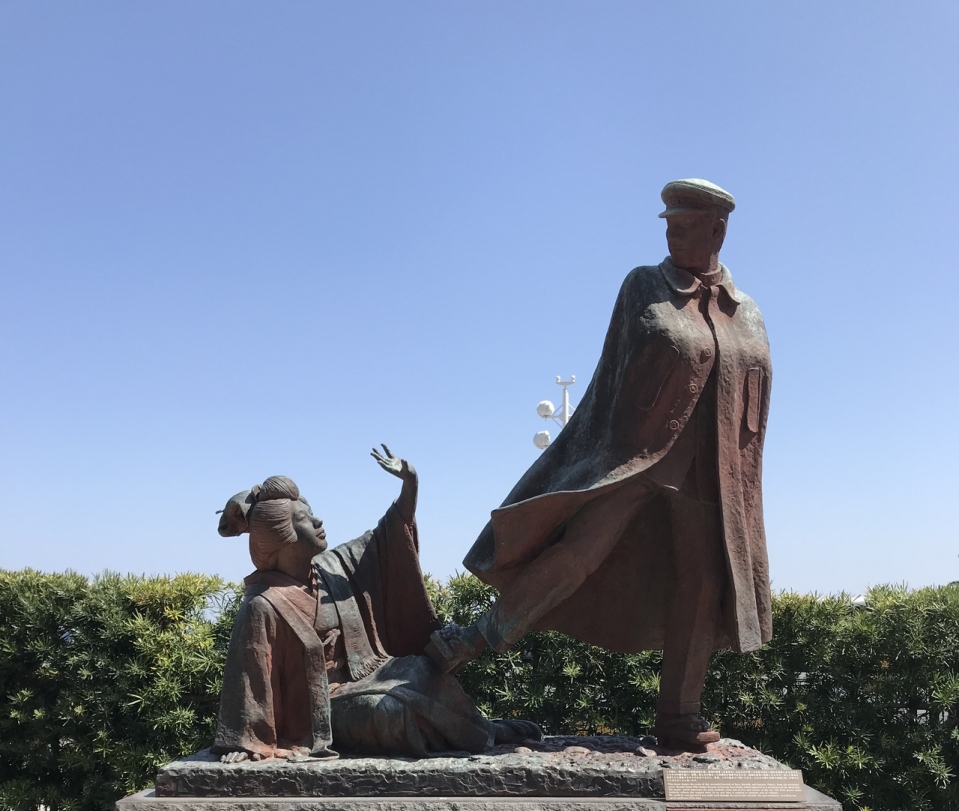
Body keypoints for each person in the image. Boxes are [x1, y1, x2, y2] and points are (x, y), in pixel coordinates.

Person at [428, 179, 772, 752]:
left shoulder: (748, 312)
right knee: (578, 552)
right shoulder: (645, 285)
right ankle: (472, 639)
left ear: (718, 230)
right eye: (668, 225)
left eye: (684, 226)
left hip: (709, 472)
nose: (671, 235)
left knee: (703, 579)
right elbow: (614, 375)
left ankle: (679, 715)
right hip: (637, 455)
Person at [212, 447, 538, 760]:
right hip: (320, 709)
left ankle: (483, 731)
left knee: (420, 668)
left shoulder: (331, 567)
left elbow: (386, 538)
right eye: (304, 519)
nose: (318, 521)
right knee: (388, 710)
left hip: (366, 676)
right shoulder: (263, 605)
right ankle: (472, 734)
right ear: (283, 535)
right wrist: (246, 742)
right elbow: (250, 679)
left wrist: (410, 485)